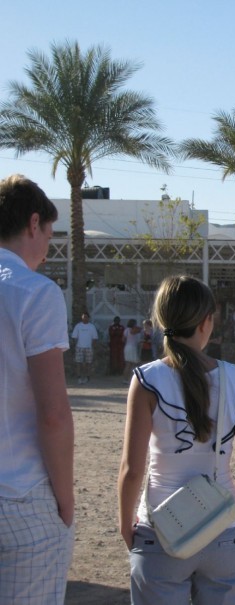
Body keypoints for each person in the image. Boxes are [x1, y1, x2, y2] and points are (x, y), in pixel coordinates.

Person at [117, 275, 235, 604]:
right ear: (205, 323)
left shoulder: (146, 380)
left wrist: (126, 524)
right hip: (222, 530)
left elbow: (132, 469)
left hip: (160, 531)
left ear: (161, 321)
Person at [0, 174, 75, 604]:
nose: (48, 247)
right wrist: (64, 501)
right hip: (21, 494)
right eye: (48, 233)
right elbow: (53, 414)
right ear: (33, 224)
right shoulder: (35, 293)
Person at [71, 312, 99, 384]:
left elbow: (95, 338)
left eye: (86, 317)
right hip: (79, 347)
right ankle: (79, 377)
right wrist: (76, 346)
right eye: (83, 317)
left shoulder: (91, 326)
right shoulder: (78, 326)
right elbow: (74, 337)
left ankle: (87, 377)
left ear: (88, 318)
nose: (84, 318)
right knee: (78, 363)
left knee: (88, 364)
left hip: (88, 348)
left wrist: (92, 346)